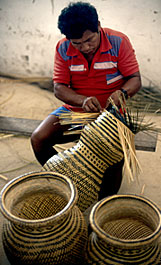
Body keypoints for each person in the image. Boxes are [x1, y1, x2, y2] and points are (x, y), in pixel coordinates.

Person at [31, 1, 141, 198]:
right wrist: (82, 100)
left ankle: (103, 201)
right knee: (38, 139)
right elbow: (59, 88)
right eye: (77, 43)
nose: (85, 47)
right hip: (75, 111)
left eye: (90, 40)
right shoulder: (63, 48)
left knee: (115, 152)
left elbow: (135, 79)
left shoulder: (119, 42)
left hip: (111, 114)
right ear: (68, 39)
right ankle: (69, 178)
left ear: (98, 26)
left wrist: (122, 93)